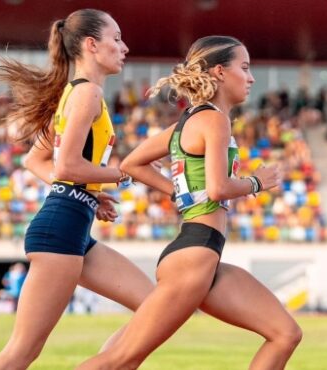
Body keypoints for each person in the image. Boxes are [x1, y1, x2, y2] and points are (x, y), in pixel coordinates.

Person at [78, 35, 302, 370]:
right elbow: (216, 189)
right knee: (120, 361)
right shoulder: (214, 120)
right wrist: (257, 182)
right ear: (219, 72)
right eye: (244, 67)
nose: (251, 77)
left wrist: (178, 192)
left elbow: (130, 164)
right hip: (194, 256)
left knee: (285, 333)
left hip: (202, 257)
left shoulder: (188, 122)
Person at [0, 9, 154, 370]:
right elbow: (65, 166)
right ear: (92, 45)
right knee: (21, 352)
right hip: (59, 231)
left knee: (154, 306)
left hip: (74, 227)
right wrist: (121, 175)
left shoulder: (78, 94)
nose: (124, 47)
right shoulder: (86, 93)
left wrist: (93, 189)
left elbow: (37, 161)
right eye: (117, 39)